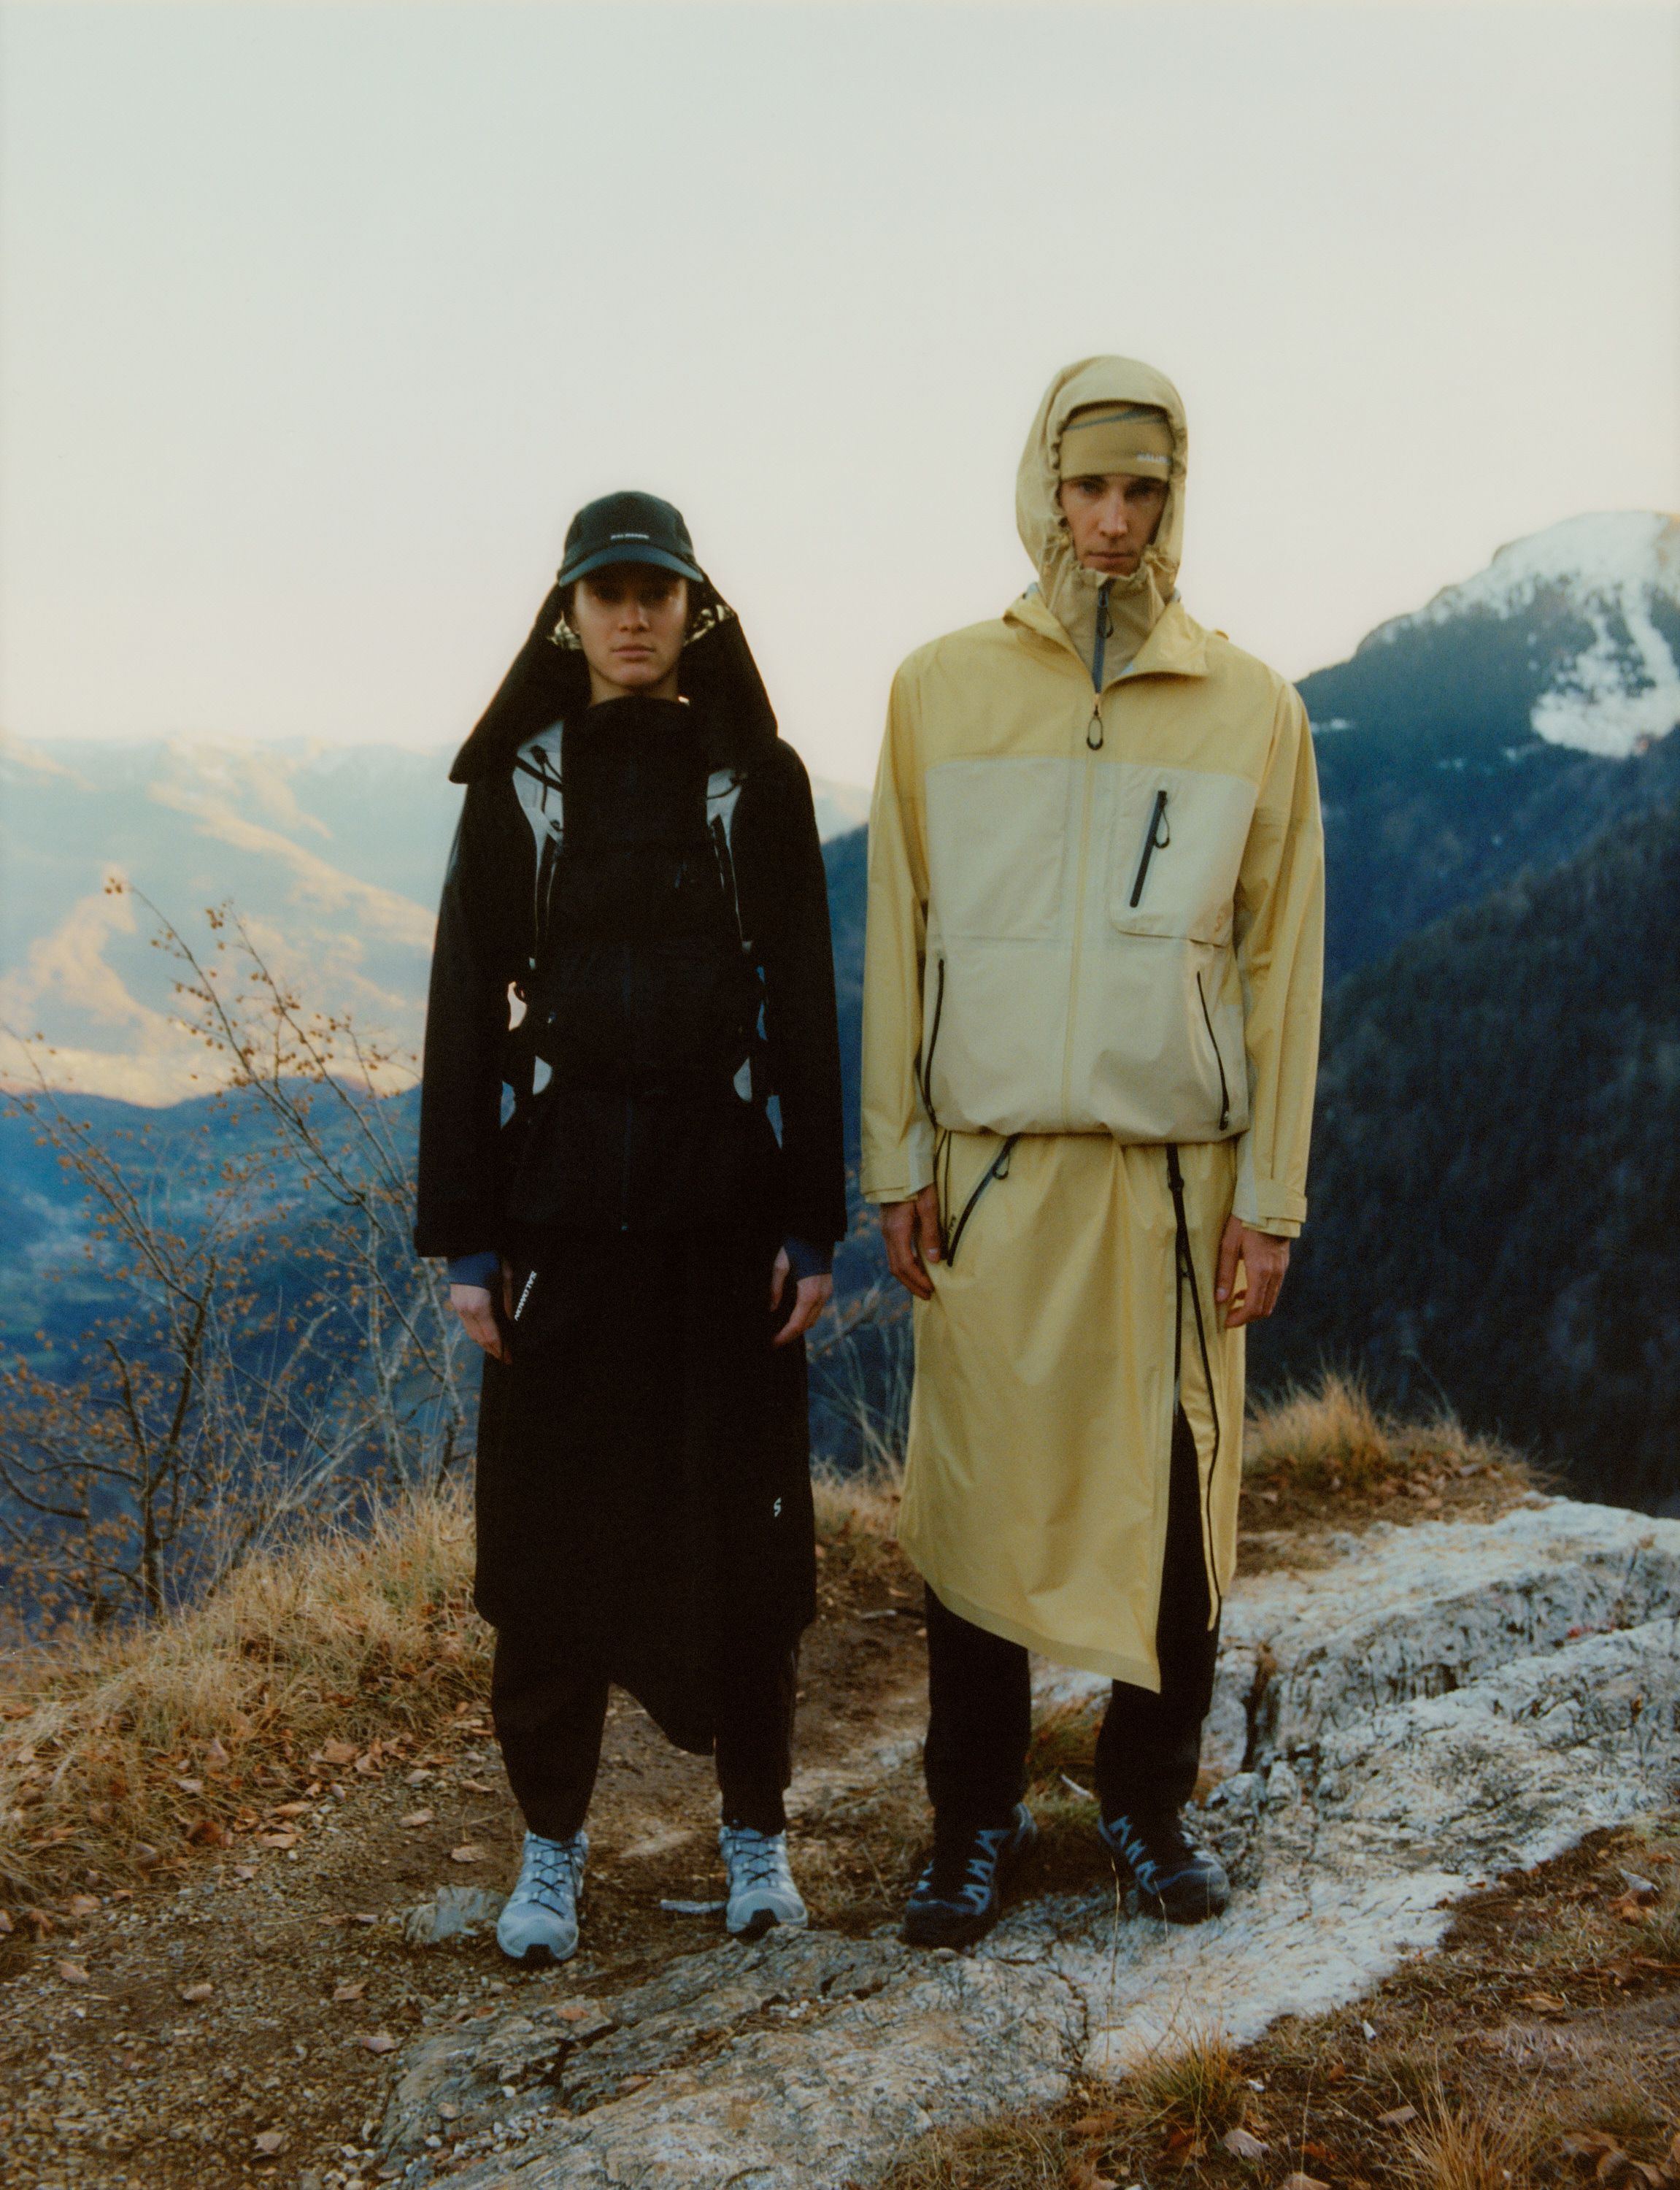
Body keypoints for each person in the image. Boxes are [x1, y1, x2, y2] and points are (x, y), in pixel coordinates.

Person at [861, 358, 1324, 1946]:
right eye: (1086, 487)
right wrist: (894, 1158)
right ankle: (969, 1823)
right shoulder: (939, 689)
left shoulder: (1250, 707)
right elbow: (899, 931)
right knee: (975, 1503)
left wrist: (1272, 1196)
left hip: (1173, 1184)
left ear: (1173, 498)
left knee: (1177, 1501)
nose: (1111, 521)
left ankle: (1145, 1802)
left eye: (1141, 489)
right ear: (1041, 488)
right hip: (991, 1173)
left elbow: (1280, 967)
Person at [415, 491, 847, 1964]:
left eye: (656, 590)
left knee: (747, 1534)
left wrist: (811, 1222)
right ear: (569, 615)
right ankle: (548, 1849)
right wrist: (468, 1242)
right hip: (561, 1222)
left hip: (723, 1215)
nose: (633, 615)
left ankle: (755, 1838)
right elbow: (465, 1003)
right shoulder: (521, 785)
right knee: (548, 1547)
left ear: (692, 607)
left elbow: (803, 999)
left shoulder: (755, 779)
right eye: (606, 593)